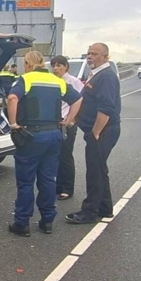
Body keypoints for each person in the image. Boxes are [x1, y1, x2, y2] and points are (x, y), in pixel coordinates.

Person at [7, 51, 81, 236]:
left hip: (32, 135)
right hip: (54, 134)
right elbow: (78, 99)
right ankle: (47, 221)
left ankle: (22, 223)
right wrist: (69, 120)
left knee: (25, 182)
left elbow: (12, 98)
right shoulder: (57, 81)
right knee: (48, 179)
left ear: (28, 63)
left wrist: (13, 123)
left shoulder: (25, 79)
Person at [66, 43, 121, 225]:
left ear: (106, 57)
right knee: (99, 169)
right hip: (97, 130)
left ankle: (89, 212)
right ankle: (105, 208)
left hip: (103, 131)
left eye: (95, 54)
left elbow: (106, 107)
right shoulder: (96, 75)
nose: (90, 57)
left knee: (94, 171)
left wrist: (96, 131)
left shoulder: (106, 77)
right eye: (89, 53)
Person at [51, 55, 85, 201]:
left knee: (66, 156)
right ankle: (58, 186)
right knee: (56, 156)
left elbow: (81, 100)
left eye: (59, 65)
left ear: (66, 67)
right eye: (54, 65)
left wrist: (73, 119)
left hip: (68, 123)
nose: (56, 68)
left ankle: (67, 188)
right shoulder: (53, 82)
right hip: (55, 123)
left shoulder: (73, 81)